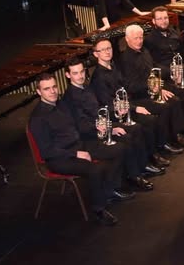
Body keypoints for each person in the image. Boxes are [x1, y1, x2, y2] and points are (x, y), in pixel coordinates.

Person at [29, 74, 133, 226]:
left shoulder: (62, 104)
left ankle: (111, 190)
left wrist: (106, 130)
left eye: (54, 87)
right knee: (95, 169)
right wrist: (76, 154)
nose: (52, 91)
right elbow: (47, 151)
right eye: (47, 89)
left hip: (78, 145)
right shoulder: (38, 118)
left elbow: (79, 125)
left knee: (118, 149)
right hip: (59, 158)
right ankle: (99, 210)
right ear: (39, 92)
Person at [59, 58, 157, 192]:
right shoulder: (70, 98)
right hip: (90, 136)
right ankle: (130, 178)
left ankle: (138, 170)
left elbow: (98, 109)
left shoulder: (86, 88)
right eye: (75, 73)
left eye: (82, 72)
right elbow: (82, 126)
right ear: (68, 75)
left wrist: (115, 117)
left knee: (133, 130)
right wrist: (110, 129)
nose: (80, 76)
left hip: (101, 126)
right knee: (126, 139)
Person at [90, 39, 173, 166]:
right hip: (116, 113)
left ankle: (159, 147)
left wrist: (153, 88)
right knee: (146, 121)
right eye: (103, 50)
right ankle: (148, 158)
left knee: (158, 111)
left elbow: (126, 88)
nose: (107, 52)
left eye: (109, 48)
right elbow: (108, 104)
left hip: (127, 104)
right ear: (96, 54)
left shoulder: (113, 67)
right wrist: (135, 108)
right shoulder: (98, 77)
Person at [119, 24, 184, 145]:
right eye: (136, 38)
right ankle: (175, 135)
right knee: (173, 101)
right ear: (127, 39)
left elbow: (155, 66)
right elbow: (131, 86)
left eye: (141, 37)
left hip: (157, 85)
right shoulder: (125, 59)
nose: (139, 41)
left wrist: (172, 71)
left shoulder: (144, 51)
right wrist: (155, 87)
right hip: (143, 93)